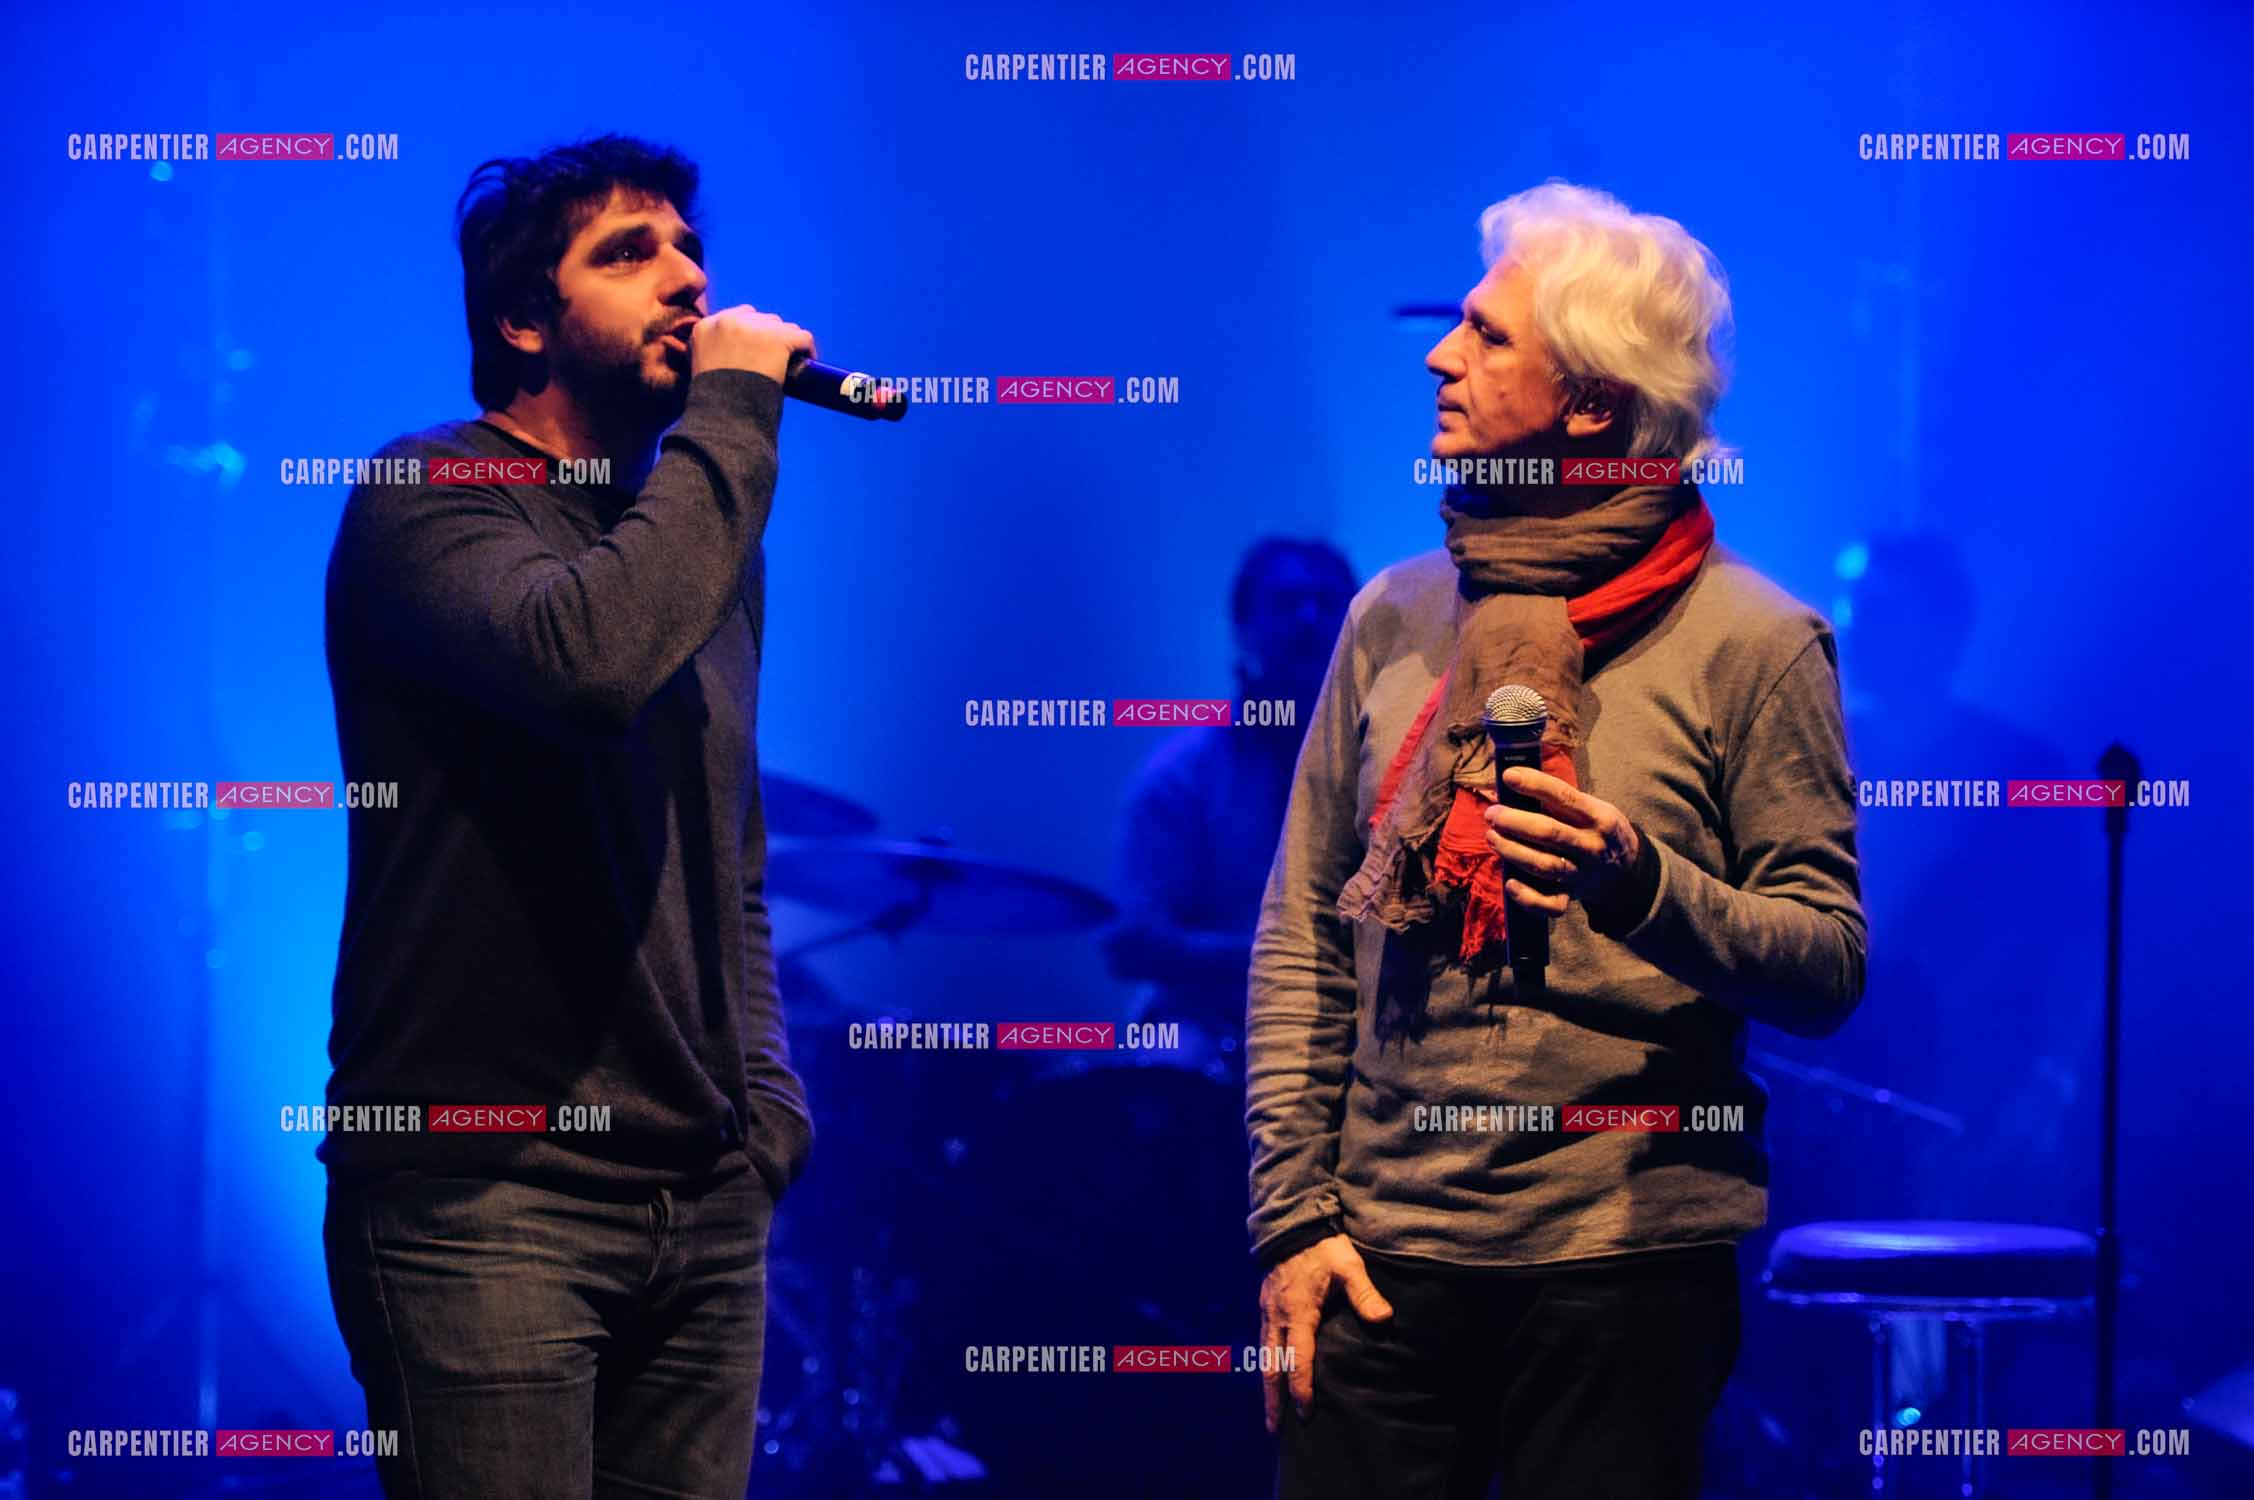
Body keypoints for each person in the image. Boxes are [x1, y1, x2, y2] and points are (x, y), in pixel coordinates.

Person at [1248, 181, 1867, 1499]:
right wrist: (1292, 1218)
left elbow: (1822, 965)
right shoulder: (1393, 616)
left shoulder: (1753, 643)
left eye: (1483, 335)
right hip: (1377, 1266)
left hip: (1622, 1270)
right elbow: (1302, 933)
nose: (1437, 356)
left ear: (1588, 402)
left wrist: (1636, 882)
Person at [319, 135, 816, 1499]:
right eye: (629, 253)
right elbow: (584, 664)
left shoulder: (702, 537)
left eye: (689, 250)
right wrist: (728, 418)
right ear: (521, 321)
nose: (687, 282)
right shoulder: (429, 497)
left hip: (702, 1197)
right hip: (489, 1199)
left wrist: (762, 1111)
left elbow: (737, 860)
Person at [1103, 536, 1358, 1049]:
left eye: (1328, 603)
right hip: (1212, 1040)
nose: (1308, 618)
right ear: (1243, 631)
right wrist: (1294, 962)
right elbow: (1131, 943)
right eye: (1286, 603)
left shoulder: (1391, 762)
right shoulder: (1182, 773)